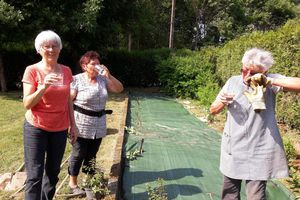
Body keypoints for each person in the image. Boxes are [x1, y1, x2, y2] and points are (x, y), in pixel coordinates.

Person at [210, 48, 300, 200]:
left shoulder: (270, 81)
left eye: (252, 73)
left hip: (259, 150)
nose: (245, 76)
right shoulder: (233, 82)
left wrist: (270, 81)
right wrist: (222, 102)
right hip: (234, 148)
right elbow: (213, 110)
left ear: (264, 72)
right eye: (243, 70)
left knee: (256, 197)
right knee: (229, 195)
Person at [22, 30, 78, 200]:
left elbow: (68, 100)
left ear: (60, 49)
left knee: (53, 173)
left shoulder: (66, 71)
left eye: (55, 46)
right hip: (36, 128)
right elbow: (27, 104)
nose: (51, 50)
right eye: (47, 46)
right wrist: (43, 87)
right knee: (34, 175)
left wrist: (73, 124)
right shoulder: (32, 70)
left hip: (60, 128)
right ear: (39, 49)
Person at [68, 51, 123, 196]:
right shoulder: (76, 80)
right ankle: (72, 184)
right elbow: (68, 101)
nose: (97, 66)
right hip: (80, 123)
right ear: (84, 66)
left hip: (98, 124)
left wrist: (109, 76)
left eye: (98, 63)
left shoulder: (102, 79)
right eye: (93, 63)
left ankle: (87, 183)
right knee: (78, 153)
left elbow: (119, 89)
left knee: (92, 155)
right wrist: (69, 124)